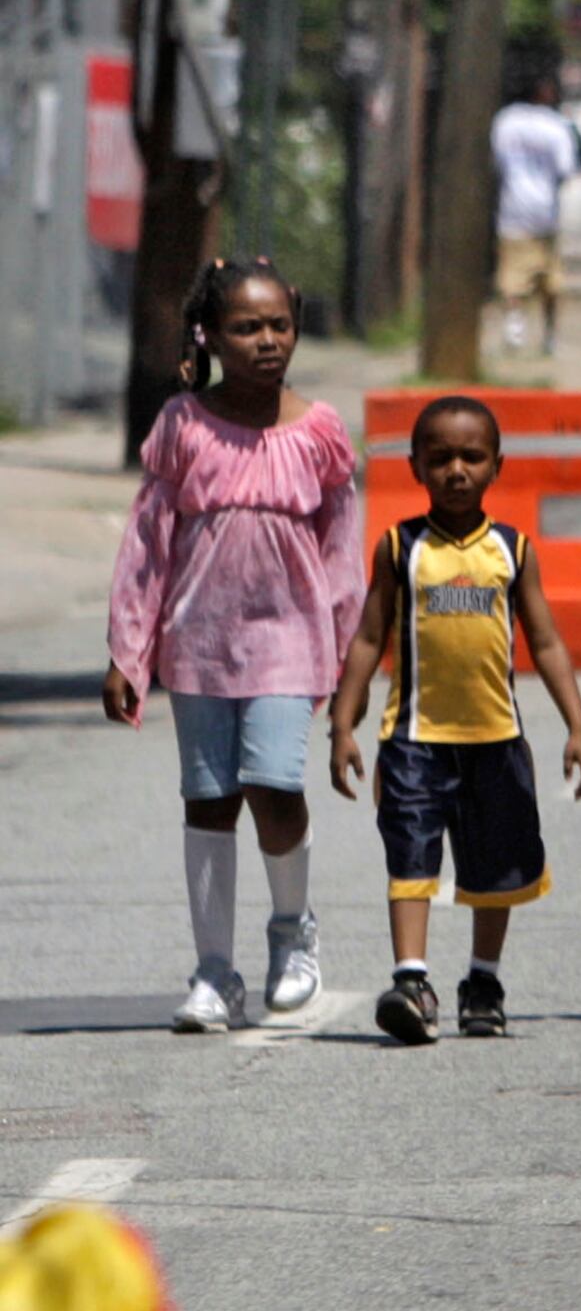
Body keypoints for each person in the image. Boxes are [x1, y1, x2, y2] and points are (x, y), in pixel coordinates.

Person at [104, 259, 364, 1033]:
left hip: (291, 639)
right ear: (210, 336)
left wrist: (350, 658)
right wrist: (128, 649)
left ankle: (293, 937)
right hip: (201, 645)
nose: (266, 342)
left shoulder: (318, 432)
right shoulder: (183, 425)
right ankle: (215, 973)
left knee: (274, 784)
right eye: (247, 328)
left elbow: (344, 552)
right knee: (209, 802)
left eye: (279, 325)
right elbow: (148, 545)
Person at [325, 397, 581, 1044]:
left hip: (495, 740)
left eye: (471, 457)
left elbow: (548, 641)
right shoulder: (400, 547)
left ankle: (483, 980)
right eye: (439, 457)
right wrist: (343, 721)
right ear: (416, 466)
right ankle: (412, 981)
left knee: (494, 871)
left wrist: (576, 726)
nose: (455, 470)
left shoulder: (512, 550)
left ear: (496, 466)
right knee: (410, 858)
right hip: (414, 739)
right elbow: (367, 638)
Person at [489, 69, 581, 356]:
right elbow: (566, 169)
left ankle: (514, 331)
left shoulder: (505, 120)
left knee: (511, 276)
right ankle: (549, 338)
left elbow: (497, 162)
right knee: (551, 281)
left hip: (512, 208)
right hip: (545, 211)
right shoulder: (556, 125)